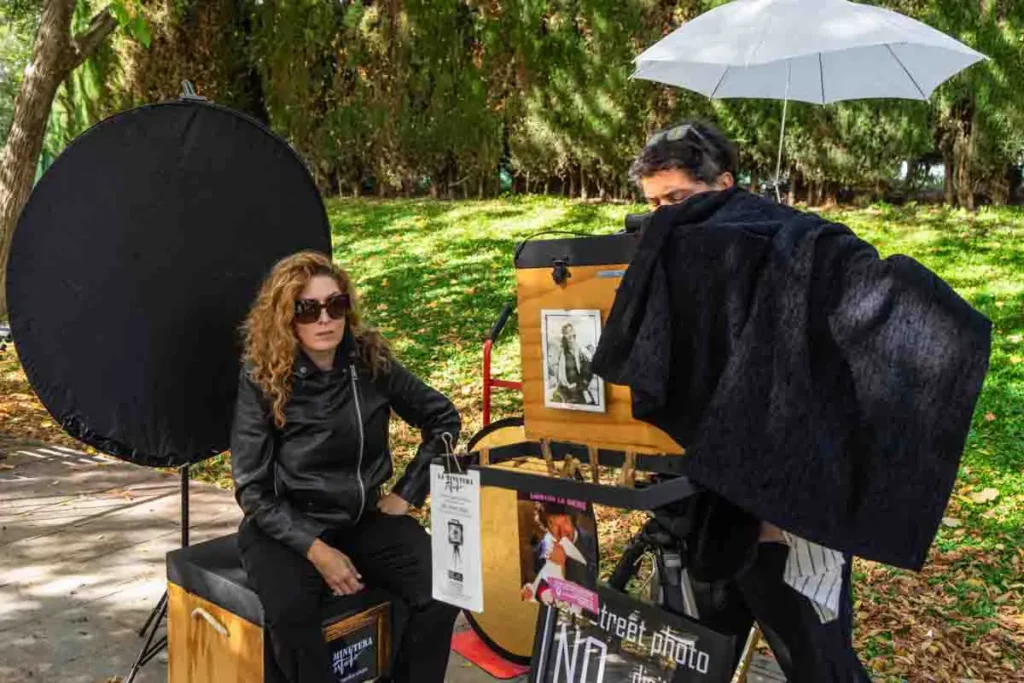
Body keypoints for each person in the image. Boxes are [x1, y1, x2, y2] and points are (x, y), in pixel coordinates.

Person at [592, 121, 989, 681]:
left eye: (677, 200)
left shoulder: (789, 242)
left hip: (784, 513)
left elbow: (873, 311)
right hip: (704, 504)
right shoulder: (672, 260)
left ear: (724, 184)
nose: (664, 219)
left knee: (816, 662)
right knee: (704, 654)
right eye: (653, 205)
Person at [231, 251, 462, 683]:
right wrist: (317, 550)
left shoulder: (370, 363)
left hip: (361, 519)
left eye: (335, 305)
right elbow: (252, 490)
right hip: (285, 528)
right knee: (292, 616)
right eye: (308, 309)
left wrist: (409, 492)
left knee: (444, 588)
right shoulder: (262, 378)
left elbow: (443, 419)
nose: (325, 319)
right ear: (286, 317)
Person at [553, 323, 596, 405]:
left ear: (574, 333)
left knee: (589, 406)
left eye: (571, 331)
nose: (569, 335)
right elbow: (557, 369)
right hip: (566, 389)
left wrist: (583, 384)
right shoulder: (562, 352)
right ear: (564, 336)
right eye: (566, 333)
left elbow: (591, 365)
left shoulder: (581, 349)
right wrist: (564, 384)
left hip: (580, 389)